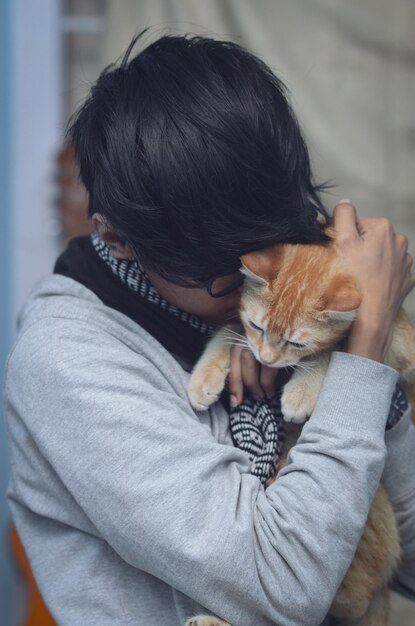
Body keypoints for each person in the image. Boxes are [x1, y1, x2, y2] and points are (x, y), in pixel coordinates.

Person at [4, 34, 415, 626]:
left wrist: (351, 351)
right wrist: (364, 357)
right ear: (116, 238)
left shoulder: (277, 289)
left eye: (276, 237)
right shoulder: (70, 360)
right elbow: (283, 586)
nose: (261, 284)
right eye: (228, 272)